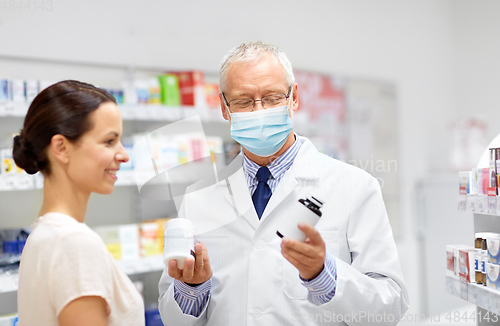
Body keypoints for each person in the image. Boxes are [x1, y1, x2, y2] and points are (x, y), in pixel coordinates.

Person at [158, 41, 409, 325]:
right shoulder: (198, 199)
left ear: (294, 98)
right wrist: (192, 289)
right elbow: (171, 319)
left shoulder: (354, 187)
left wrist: (324, 275)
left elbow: (389, 308)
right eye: (243, 101)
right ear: (225, 108)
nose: (259, 111)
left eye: (273, 97)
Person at [14, 80, 145, 326]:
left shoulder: (44, 234)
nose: (124, 154)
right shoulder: (74, 244)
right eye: (109, 141)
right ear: (62, 148)